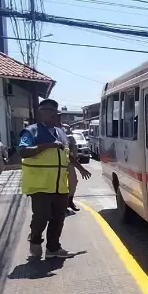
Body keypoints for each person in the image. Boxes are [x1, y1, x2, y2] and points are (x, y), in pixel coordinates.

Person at [20, 99, 91, 259]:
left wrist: (80, 168)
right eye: (49, 110)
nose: (54, 114)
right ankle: (35, 238)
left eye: (55, 111)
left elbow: (66, 154)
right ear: (41, 113)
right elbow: (23, 151)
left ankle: (53, 249)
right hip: (40, 184)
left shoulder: (60, 132)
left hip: (60, 185)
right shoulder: (31, 131)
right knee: (42, 216)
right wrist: (48, 145)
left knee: (59, 217)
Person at [64, 126, 81, 213]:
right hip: (57, 163)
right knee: (61, 184)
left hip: (69, 162)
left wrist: (76, 157)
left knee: (73, 182)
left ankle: (70, 201)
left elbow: (74, 149)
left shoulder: (70, 138)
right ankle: (62, 205)